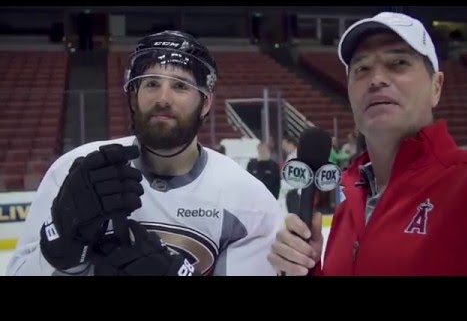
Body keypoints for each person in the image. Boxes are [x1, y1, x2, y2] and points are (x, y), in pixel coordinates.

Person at [7, 30, 284, 276]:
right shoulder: (75, 170)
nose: (163, 98)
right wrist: (59, 251)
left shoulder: (248, 200)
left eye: (180, 86)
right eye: (151, 83)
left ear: (206, 102)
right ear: (133, 94)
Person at [267, 12, 467, 276]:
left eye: (398, 62)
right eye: (361, 69)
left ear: (436, 87)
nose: (376, 79)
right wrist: (306, 270)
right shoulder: (350, 206)